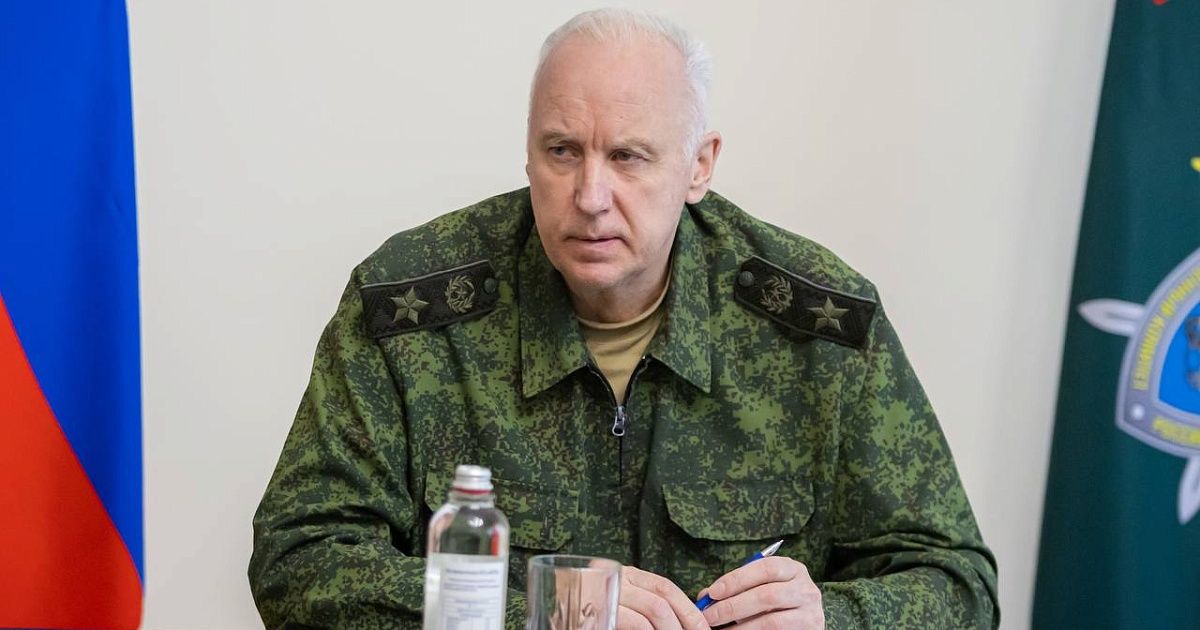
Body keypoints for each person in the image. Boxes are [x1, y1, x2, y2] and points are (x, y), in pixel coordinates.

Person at [249, 8, 999, 629]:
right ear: (528, 151)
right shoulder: (411, 311)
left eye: (629, 157)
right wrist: (535, 613)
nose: (590, 196)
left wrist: (831, 619)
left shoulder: (819, 329)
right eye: (562, 151)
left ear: (699, 165)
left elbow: (958, 583)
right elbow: (297, 560)